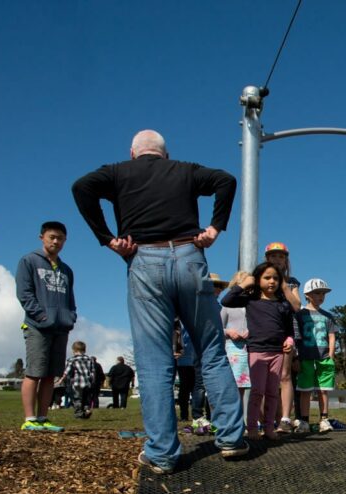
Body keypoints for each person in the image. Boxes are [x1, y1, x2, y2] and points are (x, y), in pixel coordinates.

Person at [71, 129, 249, 474]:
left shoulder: (117, 172)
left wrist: (106, 238)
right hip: (189, 256)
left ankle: (163, 453)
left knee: (154, 361)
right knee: (212, 351)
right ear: (164, 154)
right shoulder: (183, 169)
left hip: (145, 259)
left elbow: (81, 187)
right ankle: (230, 438)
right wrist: (214, 228)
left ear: (133, 152)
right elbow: (226, 180)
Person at [221, 262, 295, 441]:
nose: (272, 281)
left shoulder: (282, 303)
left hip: (277, 352)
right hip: (256, 351)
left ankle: (269, 428)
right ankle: (252, 427)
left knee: (272, 392)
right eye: (267, 277)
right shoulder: (251, 299)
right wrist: (244, 284)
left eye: (276, 278)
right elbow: (226, 301)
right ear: (258, 279)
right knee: (257, 391)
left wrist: (290, 339)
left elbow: (289, 328)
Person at [15, 221, 76, 432]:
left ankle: (43, 417)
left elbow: (71, 299)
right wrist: (40, 316)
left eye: (60, 238)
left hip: (61, 328)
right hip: (37, 326)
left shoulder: (67, 269)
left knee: (51, 374)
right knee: (34, 371)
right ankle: (29, 418)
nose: (56, 241)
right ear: (42, 237)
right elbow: (24, 293)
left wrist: (71, 317)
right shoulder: (29, 261)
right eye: (52, 237)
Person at [263, 242, 302, 432]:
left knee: (285, 376)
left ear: (286, 260)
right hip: (266, 332)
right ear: (267, 259)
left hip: (287, 334)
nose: (277, 259)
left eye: (281, 256)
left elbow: (297, 306)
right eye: (273, 256)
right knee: (265, 378)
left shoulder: (292, 282)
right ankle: (269, 419)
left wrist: (285, 285)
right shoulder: (262, 280)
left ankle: (285, 419)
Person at [294, 278, 338, 433]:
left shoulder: (328, 316)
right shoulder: (299, 315)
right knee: (305, 390)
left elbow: (332, 336)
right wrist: (296, 356)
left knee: (323, 389)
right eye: (317, 293)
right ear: (307, 294)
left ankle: (324, 419)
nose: (321, 296)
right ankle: (304, 421)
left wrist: (331, 355)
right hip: (305, 356)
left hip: (323, 357)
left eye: (323, 293)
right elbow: (296, 336)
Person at [220, 271, 251, 404]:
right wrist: (228, 331)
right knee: (233, 385)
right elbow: (218, 327)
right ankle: (233, 418)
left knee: (244, 386)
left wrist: (251, 331)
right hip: (232, 349)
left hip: (249, 348)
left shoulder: (252, 304)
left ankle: (243, 418)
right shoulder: (227, 306)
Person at [61, 340, 96, 419]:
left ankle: (79, 414)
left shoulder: (72, 359)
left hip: (77, 382)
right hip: (87, 382)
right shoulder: (90, 359)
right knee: (86, 398)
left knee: (77, 398)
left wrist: (61, 379)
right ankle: (86, 410)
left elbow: (67, 371)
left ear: (74, 350)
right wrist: (93, 380)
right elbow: (93, 371)